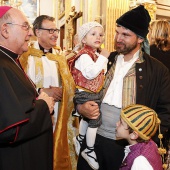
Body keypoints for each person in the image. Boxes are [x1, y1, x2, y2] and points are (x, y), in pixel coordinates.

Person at [76, 5, 170, 170]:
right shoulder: (105, 59)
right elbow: (80, 86)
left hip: (125, 147)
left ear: (140, 38)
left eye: (125, 35)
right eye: (117, 32)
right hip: (93, 140)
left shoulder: (157, 70)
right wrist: (80, 107)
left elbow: (165, 112)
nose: (118, 38)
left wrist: (143, 144)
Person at [0, 6, 55, 170]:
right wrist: (44, 105)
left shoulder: (9, 60)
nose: (30, 33)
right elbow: (10, 128)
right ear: (5, 30)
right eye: (25, 27)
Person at [19, 15, 77, 170]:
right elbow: (18, 85)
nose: (56, 34)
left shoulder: (60, 57)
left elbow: (70, 84)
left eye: (56, 30)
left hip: (58, 112)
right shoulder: (25, 55)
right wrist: (40, 91)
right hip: (34, 112)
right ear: (38, 32)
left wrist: (63, 91)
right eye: (51, 30)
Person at [68, 21, 109, 170]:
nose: (98, 37)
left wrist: (101, 58)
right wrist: (104, 58)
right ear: (83, 39)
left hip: (94, 92)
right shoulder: (84, 55)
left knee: (88, 117)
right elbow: (90, 73)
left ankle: (80, 139)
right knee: (95, 118)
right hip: (84, 93)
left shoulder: (95, 54)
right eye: (93, 34)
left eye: (100, 34)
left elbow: (101, 73)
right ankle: (89, 150)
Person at [116, 104, 163, 170]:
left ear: (134, 135)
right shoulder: (151, 144)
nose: (117, 124)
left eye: (121, 123)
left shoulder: (139, 161)